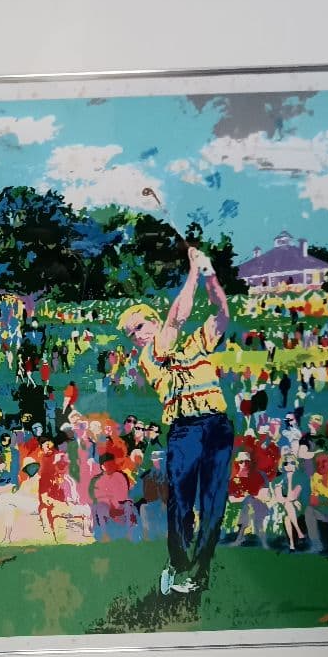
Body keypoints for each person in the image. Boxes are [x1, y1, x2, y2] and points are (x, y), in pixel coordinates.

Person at [119, 246, 232, 594]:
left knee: (213, 502)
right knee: (182, 502)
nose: (136, 335)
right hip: (185, 429)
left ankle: (200, 571)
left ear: (151, 320)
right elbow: (176, 321)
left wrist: (210, 275)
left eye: (139, 327)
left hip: (217, 425)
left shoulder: (196, 344)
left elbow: (222, 313)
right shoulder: (149, 355)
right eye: (130, 333)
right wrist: (194, 270)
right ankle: (178, 562)